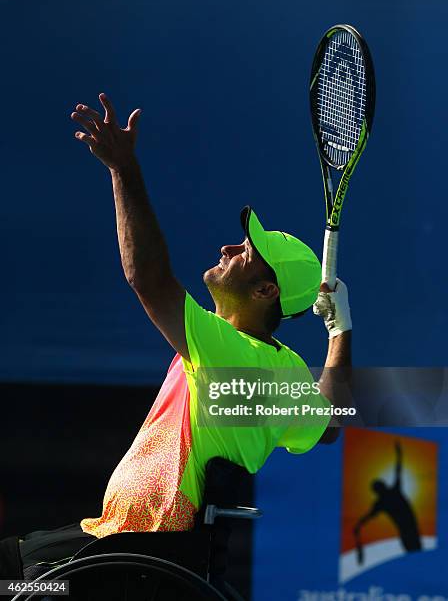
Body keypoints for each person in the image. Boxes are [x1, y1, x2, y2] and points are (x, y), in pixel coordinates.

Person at [0, 93, 353, 583]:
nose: (228, 247)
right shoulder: (284, 370)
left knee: (7, 579)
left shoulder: (225, 350)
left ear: (265, 290)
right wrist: (341, 333)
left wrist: (123, 169)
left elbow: (147, 278)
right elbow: (332, 423)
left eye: (246, 252)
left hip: (137, 553)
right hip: (123, 542)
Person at [353, 441, 422, 560]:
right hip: (408, 531)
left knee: (416, 556)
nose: (384, 484)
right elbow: (398, 470)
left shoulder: (384, 500)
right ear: (381, 488)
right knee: (416, 556)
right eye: (381, 484)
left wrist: (358, 525)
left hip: (409, 530)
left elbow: (398, 470)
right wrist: (399, 454)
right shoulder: (389, 496)